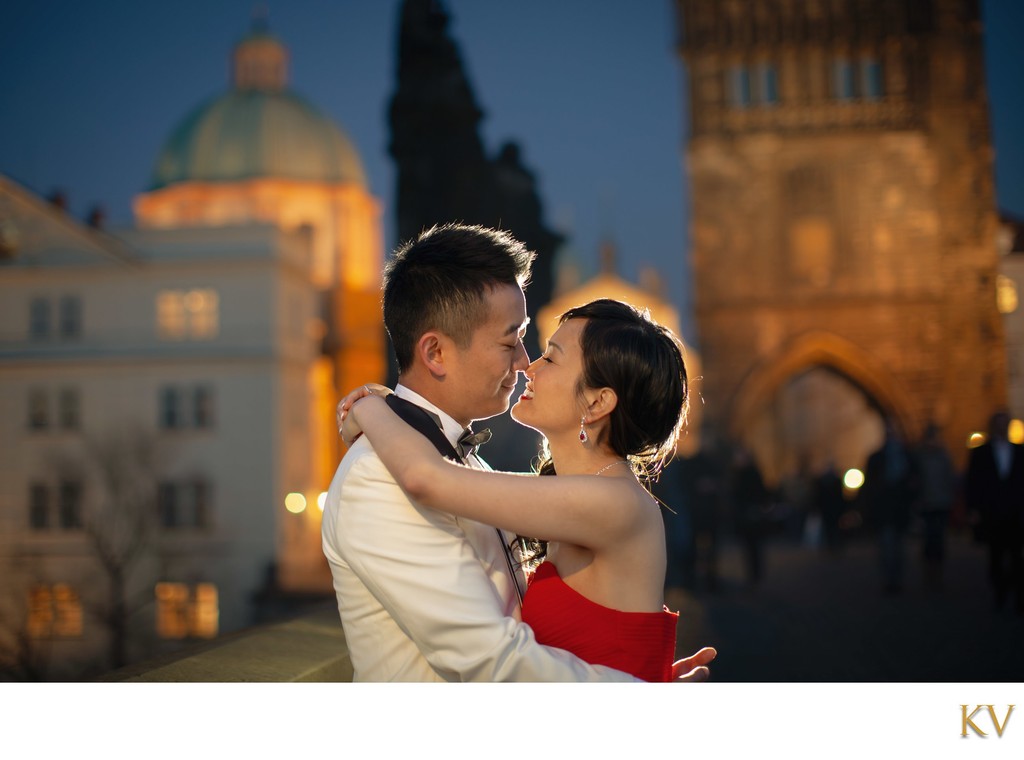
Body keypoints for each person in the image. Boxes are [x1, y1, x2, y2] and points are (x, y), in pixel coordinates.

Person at [322, 223, 715, 681]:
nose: (526, 363)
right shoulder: (378, 477)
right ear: (435, 353)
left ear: (599, 402)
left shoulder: (471, 467)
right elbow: (494, 660)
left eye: (546, 353)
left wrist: (371, 406)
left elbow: (428, 478)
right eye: (512, 342)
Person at [966, 410, 1024, 613]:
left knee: (1017, 555)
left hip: (1016, 512)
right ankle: (1000, 591)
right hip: (993, 512)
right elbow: (973, 482)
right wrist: (973, 509)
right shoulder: (982, 452)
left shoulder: (1019, 451)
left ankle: (1018, 596)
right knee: (996, 555)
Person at [862, 418, 917, 594]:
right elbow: (869, 486)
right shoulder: (876, 458)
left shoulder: (907, 457)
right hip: (884, 510)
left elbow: (915, 481)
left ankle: (897, 579)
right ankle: (889, 580)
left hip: (900, 509)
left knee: (899, 547)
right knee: (886, 546)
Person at [913, 422, 956, 590]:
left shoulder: (943, 457)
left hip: (941, 503)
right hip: (927, 504)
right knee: (929, 540)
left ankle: (938, 575)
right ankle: (928, 575)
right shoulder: (920, 457)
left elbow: (949, 478)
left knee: (939, 540)